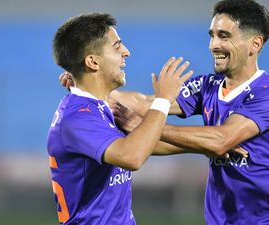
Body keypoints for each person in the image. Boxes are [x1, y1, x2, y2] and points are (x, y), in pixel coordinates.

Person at [64, 0, 269, 224]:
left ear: (255, 44)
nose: (213, 45)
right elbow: (148, 103)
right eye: (212, 35)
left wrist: (139, 125)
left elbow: (220, 140)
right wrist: (85, 82)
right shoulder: (209, 85)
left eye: (224, 36)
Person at [46, 13, 196, 225]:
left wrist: (208, 145)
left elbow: (146, 142)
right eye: (117, 46)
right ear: (92, 61)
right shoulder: (77, 118)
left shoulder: (98, 106)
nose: (126, 52)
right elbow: (132, 155)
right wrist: (162, 100)